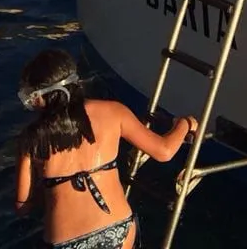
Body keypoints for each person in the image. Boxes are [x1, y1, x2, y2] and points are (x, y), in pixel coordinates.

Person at [14, 47, 195, 249]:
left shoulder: (31, 138)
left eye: (30, 97)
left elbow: (23, 207)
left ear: (41, 95)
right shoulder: (113, 112)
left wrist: (52, 188)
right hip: (117, 229)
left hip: (65, 243)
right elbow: (164, 151)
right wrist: (185, 124)